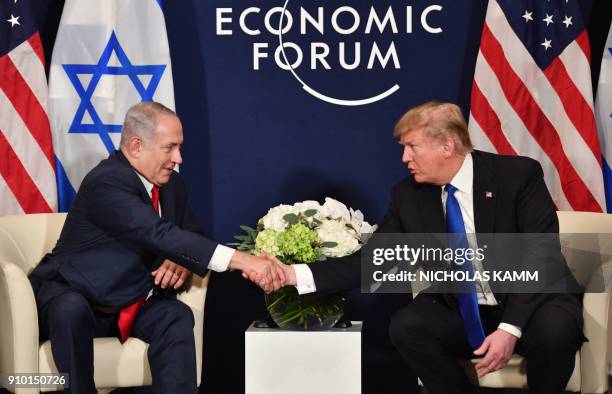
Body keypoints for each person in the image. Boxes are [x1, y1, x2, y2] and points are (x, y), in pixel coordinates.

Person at [261, 102, 584, 394]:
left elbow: (539, 255)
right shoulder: (408, 194)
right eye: (404, 148)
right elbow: (371, 261)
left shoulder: (517, 175)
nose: (405, 158)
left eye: (412, 147)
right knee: (408, 326)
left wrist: (508, 328)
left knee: (555, 330)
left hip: (532, 301)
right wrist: (292, 275)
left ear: (448, 145)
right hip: (461, 306)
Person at [29, 101, 283, 394]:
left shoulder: (172, 184)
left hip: (132, 299)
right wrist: (245, 261)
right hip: (76, 294)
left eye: (180, 147)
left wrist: (182, 261)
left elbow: (187, 233)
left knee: (176, 317)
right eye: (170, 147)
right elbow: (158, 233)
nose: (179, 158)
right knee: (69, 309)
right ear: (136, 146)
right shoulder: (107, 181)